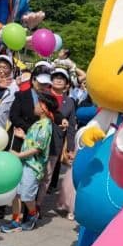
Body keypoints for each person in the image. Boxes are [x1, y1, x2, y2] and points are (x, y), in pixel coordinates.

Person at [3, 92, 56, 232]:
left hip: (33, 167)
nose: (35, 106)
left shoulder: (45, 125)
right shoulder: (38, 123)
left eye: (38, 103)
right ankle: (15, 220)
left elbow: (38, 148)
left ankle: (33, 214)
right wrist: (24, 136)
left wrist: (19, 155)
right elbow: (34, 142)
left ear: (44, 108)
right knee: (16, 194)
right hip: (25, 163)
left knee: (26, 195)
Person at [44, 68, 77, 208]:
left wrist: (70, 148)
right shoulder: (43, 95)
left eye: (62, 78)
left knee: (47, 176)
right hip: (37, 141)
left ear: (67, 84)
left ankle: (37, 205)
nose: (58, 80)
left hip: (56, 144)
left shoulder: (69, 102)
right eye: (55, 77)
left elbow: (71, 127)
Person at [0, 54, 18, 129]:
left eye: (5, 67)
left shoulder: (15, 86)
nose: (1, 70)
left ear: (11, 69)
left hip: (3, 129)